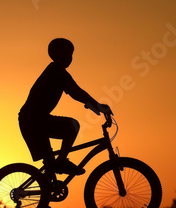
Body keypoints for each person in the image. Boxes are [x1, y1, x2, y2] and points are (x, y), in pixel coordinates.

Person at [19, 38, 111, 175]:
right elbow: (76, 92)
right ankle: (62, 161)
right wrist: (98, 106)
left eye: (71, 55)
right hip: (34, 121)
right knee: (72, 125)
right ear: (57, 55)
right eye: (67, 54)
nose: (70, 58)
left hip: (35, 120)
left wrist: (94, 106)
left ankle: (52, 176)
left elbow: (76, 92)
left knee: (51, 165)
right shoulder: (56, 71)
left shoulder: (57, 71)